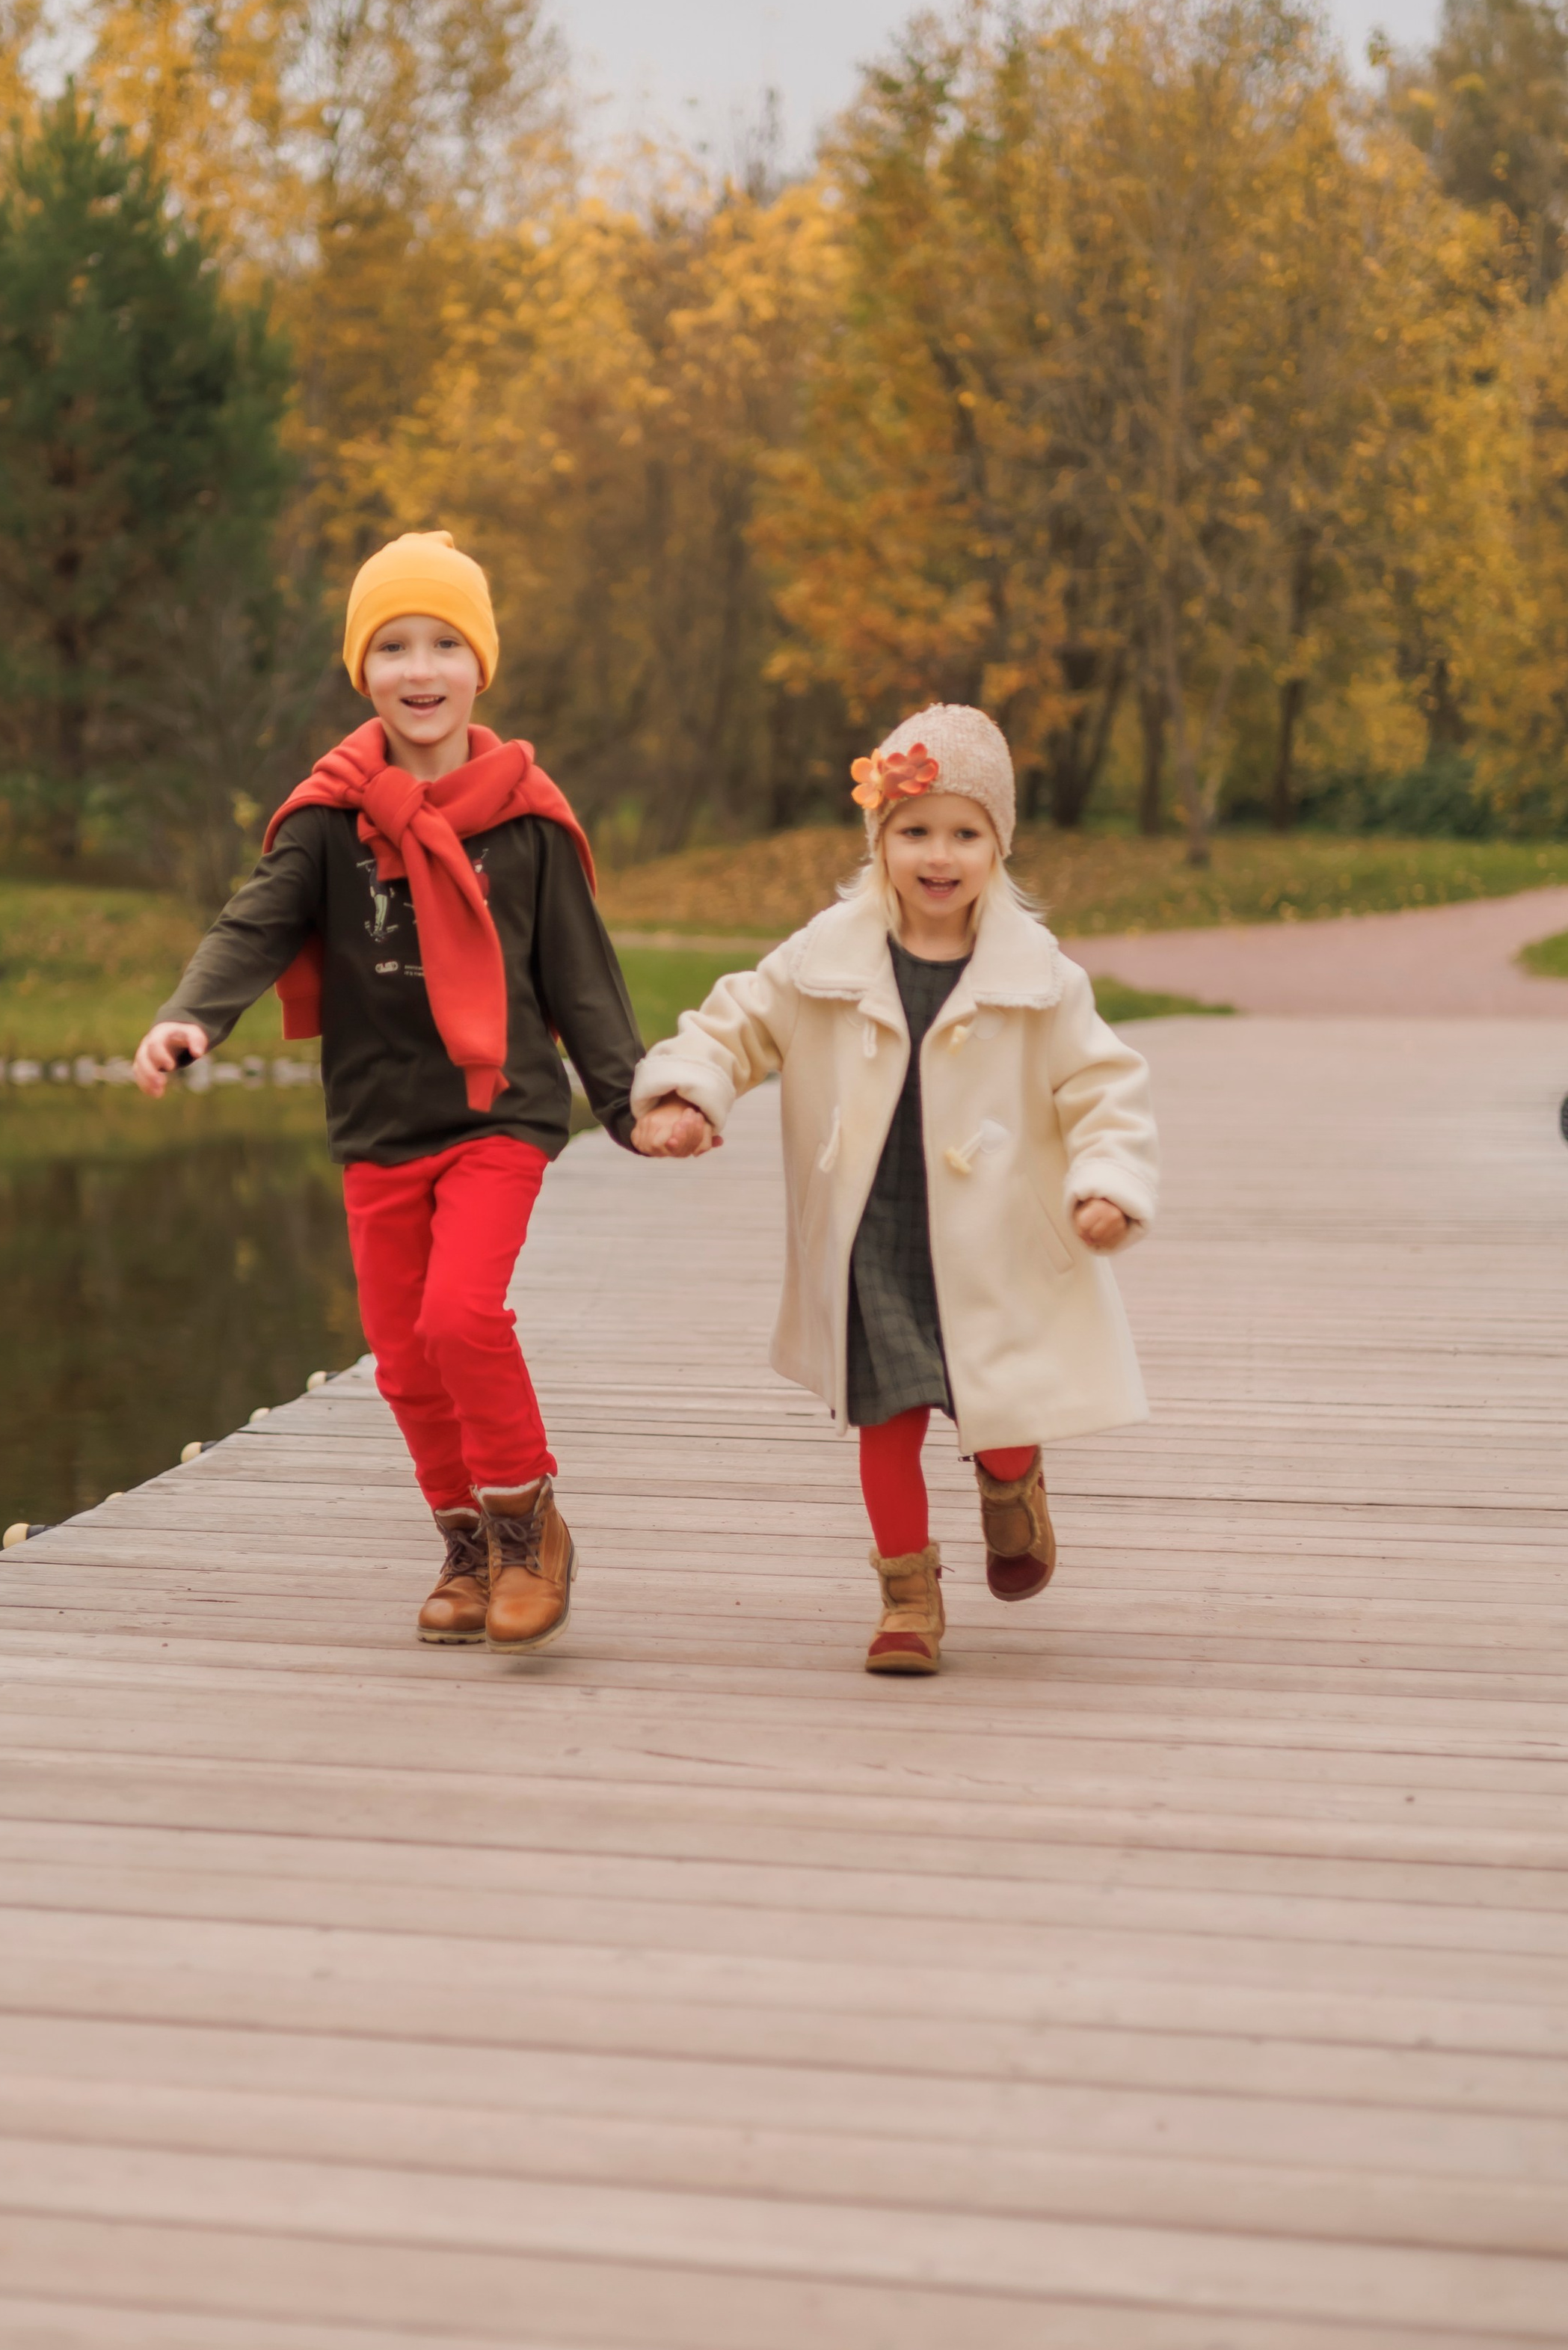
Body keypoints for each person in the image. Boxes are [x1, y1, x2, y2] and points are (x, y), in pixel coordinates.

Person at [134, 529, 645, 1654]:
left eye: (446, 644)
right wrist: (190, 1016)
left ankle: (526, 1530)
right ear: (363, 669)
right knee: (402, 1357)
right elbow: (251, 926)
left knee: (462, 1318)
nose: (421, 670)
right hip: (378, 1123)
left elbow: (581, 976)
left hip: (499, 1109)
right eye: (395, 646)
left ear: (481, 667)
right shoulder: (328, 820)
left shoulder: (526, 818)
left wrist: (632, 1101)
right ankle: (462, 1544)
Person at [630, 705, 1158, 1676]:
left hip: (993, 1238)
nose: (939, 856)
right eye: (915, 832)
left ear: (999, 846)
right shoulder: (824, 958)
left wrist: (1108, 1181)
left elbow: (1102, 1086)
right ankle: (907, 1600)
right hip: (873, 1228)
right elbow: (733, 1023)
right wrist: (686, 1095)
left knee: (996, 1416)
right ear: (880, 841)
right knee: (888, 1417)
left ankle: (1012, 1483)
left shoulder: (1038, 977)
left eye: (965, 833)